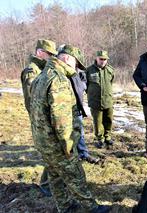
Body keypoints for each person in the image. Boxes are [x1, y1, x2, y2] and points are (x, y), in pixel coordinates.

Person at [29, 44, 111, 213]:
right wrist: (68, 147)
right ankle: (92, 207)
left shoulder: (42, 75)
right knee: (76, 175)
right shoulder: (58, 80)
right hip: (57, 143)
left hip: (42, 140)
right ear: (67, 58)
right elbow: (61, 121)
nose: (76, 68)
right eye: (76, 63)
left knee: (54, 176)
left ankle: (64, 206)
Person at [21, 39, 57, 197]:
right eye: (49, 54)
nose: (51, 57)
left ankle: (51, 182)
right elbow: (32, 100)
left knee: (53, 153)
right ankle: (45, 184)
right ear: (39, 52)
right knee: (50, 153)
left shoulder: (43, 69)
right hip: (40, 121)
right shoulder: (32, 71)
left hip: (46, 118)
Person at [86, 50, 115, 149]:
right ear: (96, 58)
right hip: (95, 102)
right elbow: (85, 85)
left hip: (108, 101)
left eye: (105, 59)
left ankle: (107, 137)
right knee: (98, 122)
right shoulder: (89, 70)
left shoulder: (110, 70)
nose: (103, 61)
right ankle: (100, 139)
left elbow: (111, 83)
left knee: (108, 120)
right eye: (101, 59)